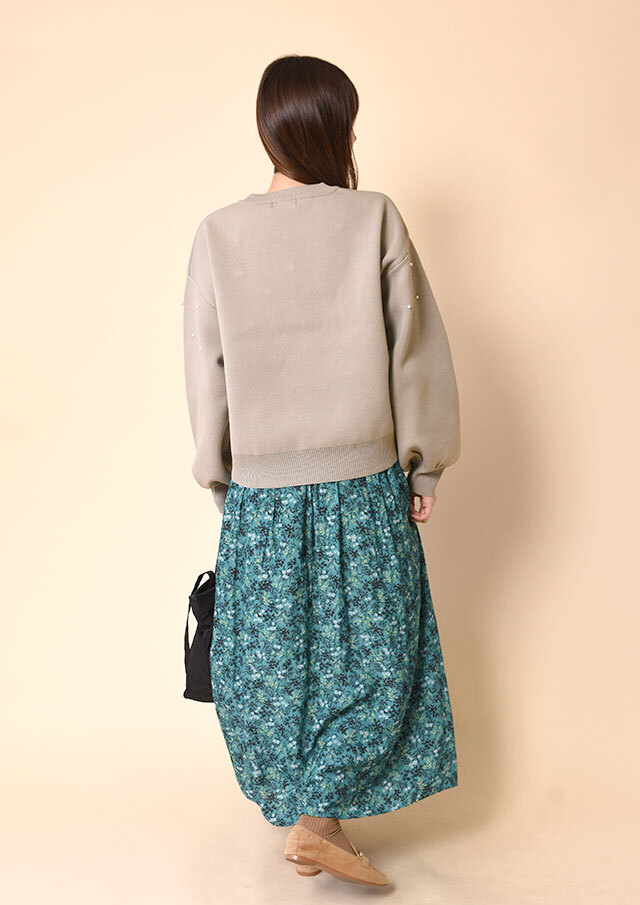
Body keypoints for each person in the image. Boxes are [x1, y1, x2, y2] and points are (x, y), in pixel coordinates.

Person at [182, 53, 461, 888]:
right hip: (363, 483)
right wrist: (423, 466)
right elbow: (415, 349)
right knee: (380, 659)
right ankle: (319, 822)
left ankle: (316, 822)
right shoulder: (373, 216)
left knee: (274, 669)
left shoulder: (217, 234)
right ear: (337, 128)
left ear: (267, 129)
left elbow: (206, 372)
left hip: (261, 495)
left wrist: (225, 481)